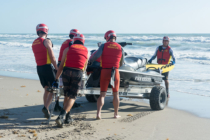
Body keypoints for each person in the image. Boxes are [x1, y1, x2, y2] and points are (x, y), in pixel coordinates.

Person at [53, 34, 88, 128]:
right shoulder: (86, 50)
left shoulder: (67, 49)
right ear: (83, 41)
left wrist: (56, 79)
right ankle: (61, 116)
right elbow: (85, 67)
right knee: (72, 97)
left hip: (66, 71)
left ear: (74, 40)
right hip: (78, 73)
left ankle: (68, 118)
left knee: (66, 95)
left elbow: (61, 66)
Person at [89, 30, 124, 119]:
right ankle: (115, 114)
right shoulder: (120, 47)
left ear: (107, 37)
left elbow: (97, 56)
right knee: (116, 94)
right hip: (115, 72)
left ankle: (98, 114)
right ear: (115, 37)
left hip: (104, 71)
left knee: (102, 94)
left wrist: (90, 61)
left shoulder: (103, 45)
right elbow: (122, 63)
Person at [32, 23, 58, 118]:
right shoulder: (47, 41)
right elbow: (51, 55)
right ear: (46, 31)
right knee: (53, 89)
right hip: (47, 67)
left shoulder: (34, 42)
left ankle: (46, 109)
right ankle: (46, 107)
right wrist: (56, 67)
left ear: (37, 31)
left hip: (39, 68)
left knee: (46, 88)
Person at [54, 29, 81, 113]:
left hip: (59, 62)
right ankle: (68, 105)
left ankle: (56, 104)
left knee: (59, 85)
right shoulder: (72, 43)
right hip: (66, 65)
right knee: (70, 87)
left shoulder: (64, 42)